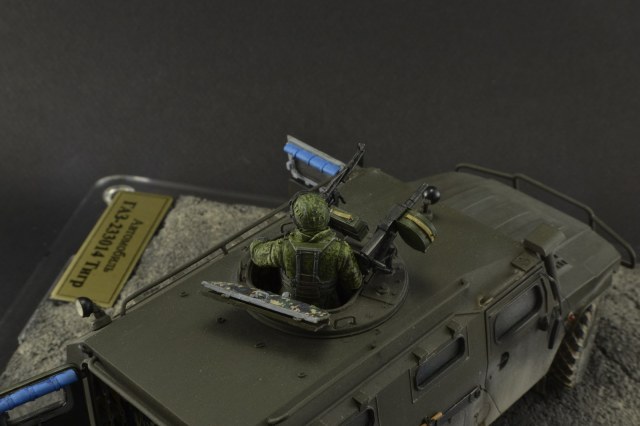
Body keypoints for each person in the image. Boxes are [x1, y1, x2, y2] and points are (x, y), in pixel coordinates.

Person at [250, 192, 362, 309]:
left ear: (296, 219)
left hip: (289, 304)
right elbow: (354, 283)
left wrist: (259, 241)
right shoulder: (341, 250)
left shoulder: (282, 248)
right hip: (327, 306)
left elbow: (256, 254)